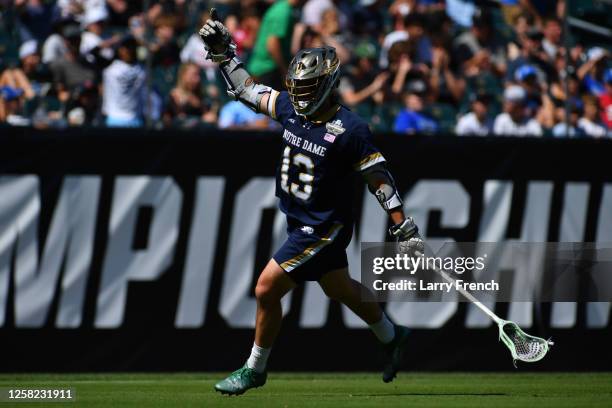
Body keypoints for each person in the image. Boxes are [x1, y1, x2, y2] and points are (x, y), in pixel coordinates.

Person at [199, 10, 424, 395]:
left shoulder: (351, 129)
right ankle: (392, 336)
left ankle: (255, 368)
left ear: (329, 84)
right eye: (298, 85)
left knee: (266, 289)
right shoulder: (289, 108)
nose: (300, 93)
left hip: (323, 226)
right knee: (340, 288)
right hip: (300, 219)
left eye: (310, 85)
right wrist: (225, 56)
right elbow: (249, 91)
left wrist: (400, 220)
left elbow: (377, 176)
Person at [247, 0, 303, 90]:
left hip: (266, 69)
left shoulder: (281, 8)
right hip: (268, 69)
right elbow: (272, 44)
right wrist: (284, 71)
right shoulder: (283, 12)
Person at [102, 36, 146, 127]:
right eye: (126, 48)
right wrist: (109, 42)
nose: (128, 51)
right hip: (114, 118)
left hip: (135, 118)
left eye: (132, 47)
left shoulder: (142, 70)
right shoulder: (110, 69)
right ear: (120, 50)